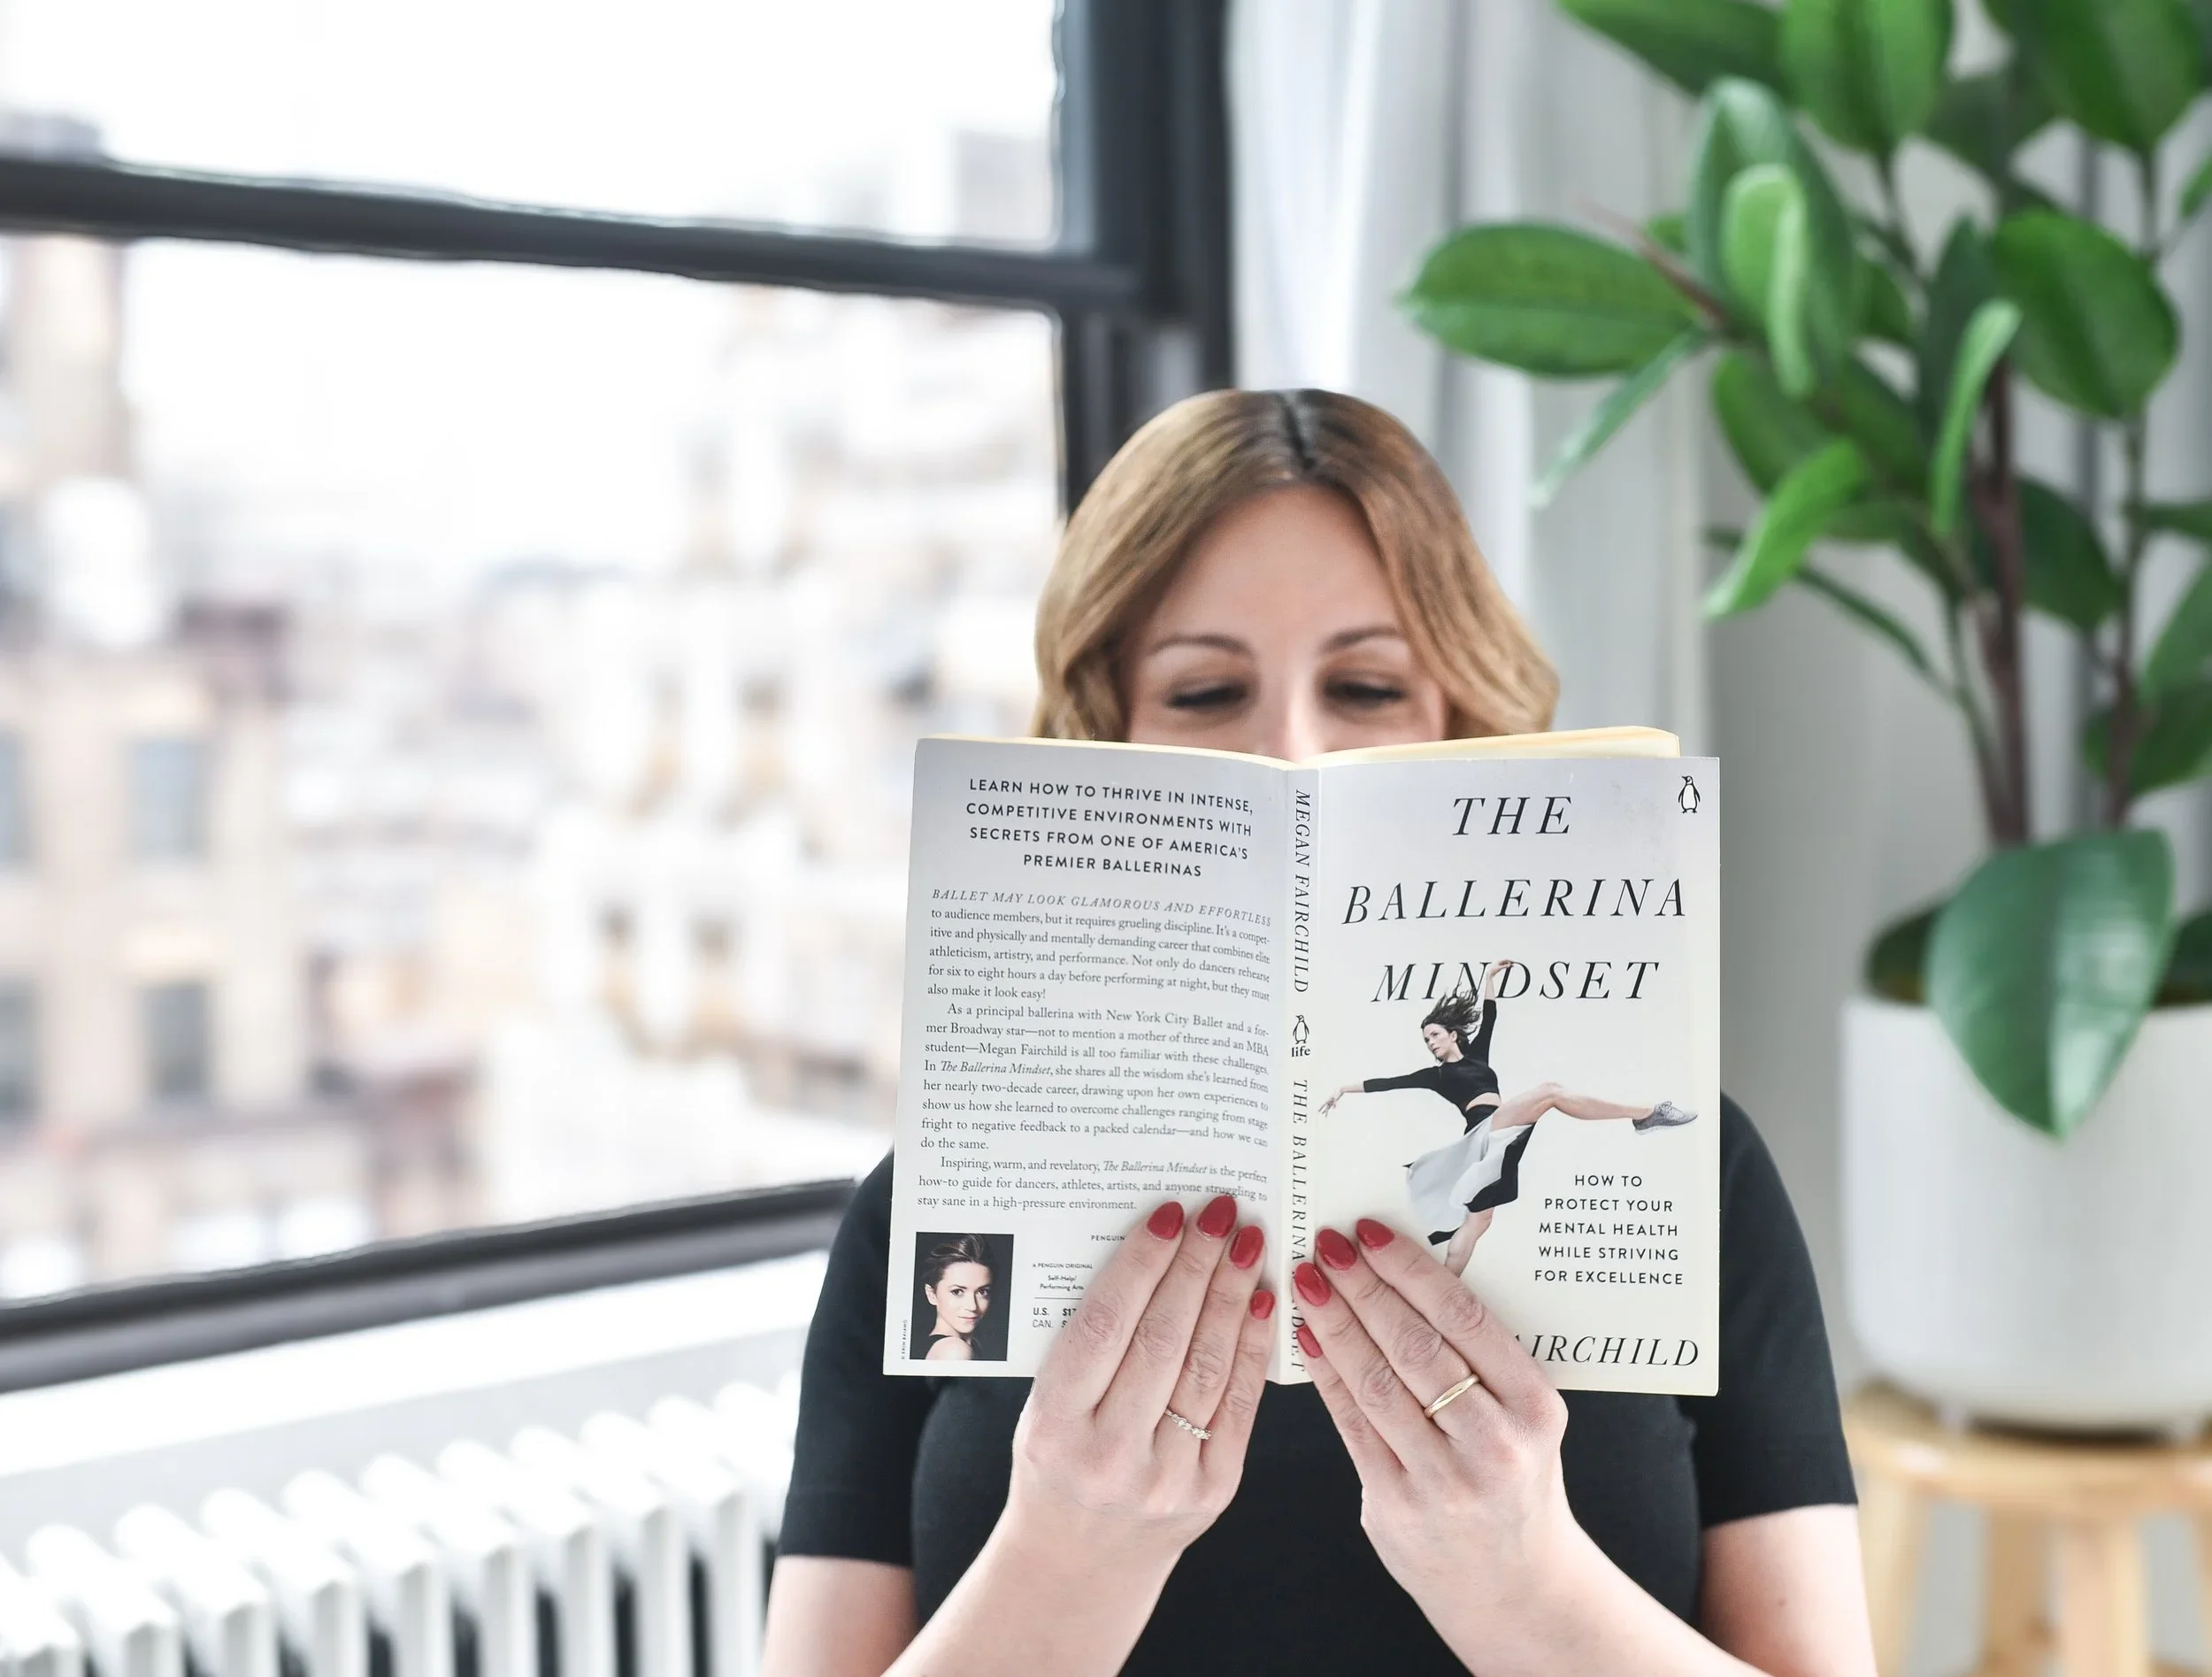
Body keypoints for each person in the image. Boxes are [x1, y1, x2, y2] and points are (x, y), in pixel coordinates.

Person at [764, 389, 1876, 1676]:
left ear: (1459, 718)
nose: (1291, 751)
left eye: (1363, 684)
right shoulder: (929, 1218)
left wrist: (1517, 1573)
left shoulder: (1704, 1180)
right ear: (1106, 731)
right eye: (1204, 688)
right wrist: (1072, 1550)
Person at [1320, 961, 1696, 1275]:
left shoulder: (1478, 1057)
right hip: (1485, 1134)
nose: (1431, 1043)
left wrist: (1488, 979)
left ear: (1453, 1034)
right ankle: (1647, 1114)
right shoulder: (1435, 1076)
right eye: (1426, 1041)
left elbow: (1490, 1019)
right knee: (1550, 1091)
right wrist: (1343, 1089)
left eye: (1434, 1035)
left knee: (1479, 1222)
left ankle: (1445, 1287)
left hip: (1500, 1138)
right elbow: (1387, 1083)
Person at [915, 1235, 996, 1362]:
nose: (972, 1306)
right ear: (931, 1295)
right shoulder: (955, 1351)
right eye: (957, 1292)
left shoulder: (972, 1346)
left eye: (982, 1291)